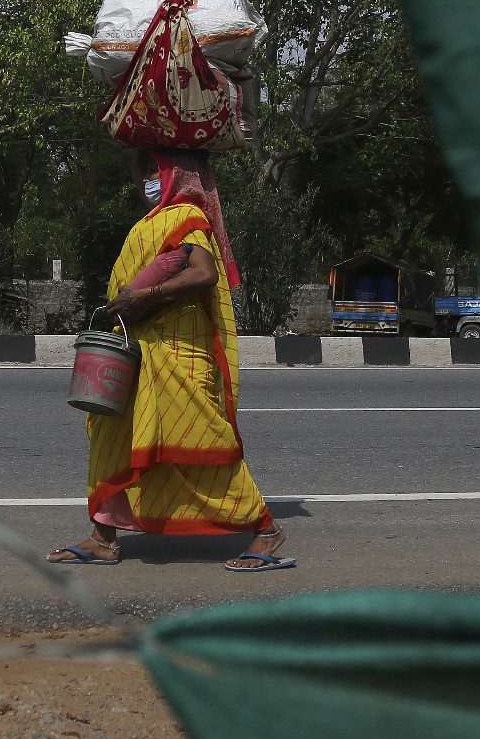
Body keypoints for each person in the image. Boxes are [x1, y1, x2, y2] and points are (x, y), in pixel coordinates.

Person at [48, 149, 295, 572]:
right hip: (139, 352)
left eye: (155, 169)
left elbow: (203, 274)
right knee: (112, 438)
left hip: (179, 353)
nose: (146, 177)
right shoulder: (150, 221)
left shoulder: (187, 216)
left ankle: (267, 531)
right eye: (143, 169)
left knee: (199, 442)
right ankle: (103, 538)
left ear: (177, 175)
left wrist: (145, 295)